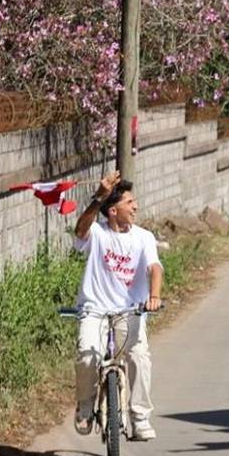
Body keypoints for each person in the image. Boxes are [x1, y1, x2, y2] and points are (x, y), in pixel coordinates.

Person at [72, 170, 163, 441]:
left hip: (130, 311)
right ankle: (86, 406)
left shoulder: (143, 237)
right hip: (95, 309)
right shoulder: (97, 233)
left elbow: (155, 268)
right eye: (129, 202)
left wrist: (154, 296)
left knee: (138, 357)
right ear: (112, 210)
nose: (135, 207)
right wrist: (99, 196)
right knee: (88, 357)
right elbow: (80, 230)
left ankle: (139, 417)